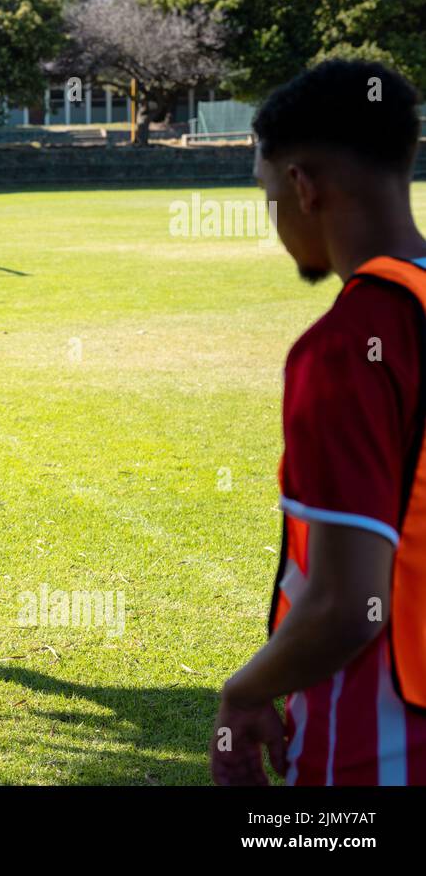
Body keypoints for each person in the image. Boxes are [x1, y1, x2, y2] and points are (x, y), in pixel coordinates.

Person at [212, 59, 426, 785]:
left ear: (302, 185)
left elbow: (345, 602)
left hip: (375, 746)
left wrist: (243, 692)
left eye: (268, 194)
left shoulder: (346, 347)